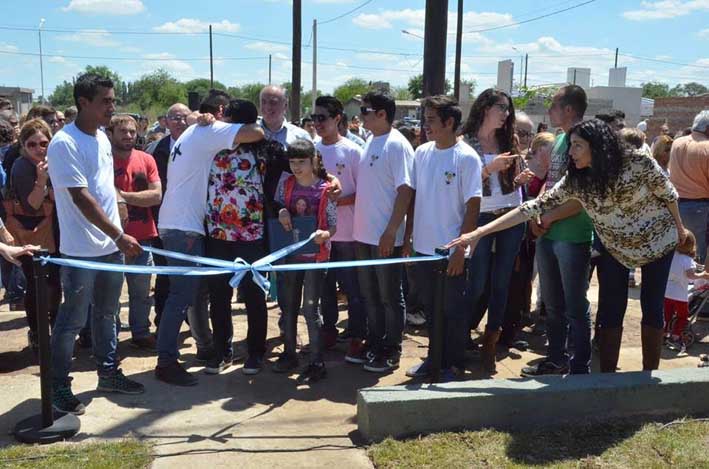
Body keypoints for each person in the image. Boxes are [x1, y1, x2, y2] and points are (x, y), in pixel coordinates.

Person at [447, 118, 684, 373]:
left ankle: (650, 374)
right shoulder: (577, 180)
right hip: (616, 249)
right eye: (570, 145)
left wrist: (680, 229)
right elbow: (532, 207)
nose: (570, 152)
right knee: (611, 310)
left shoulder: (638, 162)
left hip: (658, 242)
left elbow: (669, 195)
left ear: (597, 146)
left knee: (652, 306)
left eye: (577, 146)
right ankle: (608, 380)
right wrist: (480, 232)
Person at [48, 73, 145, 414]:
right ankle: (57, 386)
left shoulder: (102, 138)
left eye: (112, 100)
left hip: (110, 248)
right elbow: (81, 198)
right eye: (105, 101)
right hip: (81, 253)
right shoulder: (64, 143)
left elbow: (105, 189)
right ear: (83, 103)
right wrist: (118, 234)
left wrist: (119, 219)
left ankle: (108, 373)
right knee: (71, 322)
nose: (112, 106)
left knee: (108, 314)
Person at [155, 91, 264, 386]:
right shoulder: (209, 131)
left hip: (180, 223)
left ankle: (170, 357)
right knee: (182, 296)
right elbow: (256, 131)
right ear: (219, 112)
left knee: (183, 295)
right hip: (186, 227)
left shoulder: (195, 130)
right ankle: (166, 361)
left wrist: (197, 118)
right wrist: (212, 120)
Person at [404, 95, 482, 380]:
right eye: (425, 120)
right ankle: (433, 359)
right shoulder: (421, 153)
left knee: (452, 311)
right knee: (431, 309)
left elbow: (473, 206)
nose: (426, 126)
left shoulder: (467, 158)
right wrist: (409, 237)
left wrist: (461, 249)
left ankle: (452, 364)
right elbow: (413, 197)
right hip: (424, 248)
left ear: (450, 123)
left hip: (450, 251)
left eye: (432, 120)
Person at [459, 89, 534, 372]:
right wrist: (489, 168)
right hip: (481, 216)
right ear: (485, 107)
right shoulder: (466, 141)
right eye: (501, 107)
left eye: (507, 109)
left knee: (502, 282)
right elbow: (465, 185)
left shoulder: (509, 138)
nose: (506, 113)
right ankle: (462, 335)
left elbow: (510, 184)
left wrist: (518, 179)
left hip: (512, 214)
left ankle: (490, 345)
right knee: (477, 282)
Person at [525, 85, 595, 376]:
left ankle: (579, 368)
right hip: (549, 232)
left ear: (568, 109)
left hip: (572, 236)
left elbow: (583, 197)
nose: (549, 110)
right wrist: (536, 213)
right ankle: (556, 359)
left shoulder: (585, 141)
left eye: (553, 105)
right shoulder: (560, 140)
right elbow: (550, 183)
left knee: (575, 306)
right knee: (552, 305)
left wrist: (548, 218)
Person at [205, 99, 275, 376]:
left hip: (252, 236)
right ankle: (222, 352)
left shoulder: (264, 149)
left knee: (255, 297)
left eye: (228, 117)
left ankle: (256, 353)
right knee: (219, 297)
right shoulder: (213, 146)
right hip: (218, 233)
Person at [352, 90, 414, 372]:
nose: (360, 115)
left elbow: (406, 189)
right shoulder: (370, 140)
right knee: (371, 296)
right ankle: (375, 342)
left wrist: (392, 231)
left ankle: (393, 348)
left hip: (385, 237)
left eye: (365, 110)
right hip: (363, 235)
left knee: (390, 297)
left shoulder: (397, 145)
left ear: (381, 114)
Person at [272, 139, 337, 384]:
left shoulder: (326, 189)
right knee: (288, 306)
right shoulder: (285, 184)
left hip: (315, 258)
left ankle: (316, 360)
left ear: (314, 161)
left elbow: (333, 224)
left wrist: (326, 235)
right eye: (293, 162)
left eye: (302, 162)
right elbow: (278, 206)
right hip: (290, 256)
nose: (297, 167)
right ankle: (289, 354)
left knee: (310, 308)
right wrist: (281, 212)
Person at [311, 96, 366, 360]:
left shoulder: (354, 151)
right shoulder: (311, 151)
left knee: (353, 289)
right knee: (324, 288)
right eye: (314, 118)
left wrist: (338, 201)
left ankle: (357, 335)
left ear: (337, 119)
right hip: (321, 236)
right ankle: (328, 331)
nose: (317, 123)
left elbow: (365, 193)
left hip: (348, 234)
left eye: (322, 118)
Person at [107, 114, 161, 350]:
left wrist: (121, 196)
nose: (129, 136)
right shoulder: (102, 160)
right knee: (110, 295)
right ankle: (110, 336)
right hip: (111, 240)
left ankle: (140, 332)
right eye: (123, 131)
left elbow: (156, 195)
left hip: (143, 236)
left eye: (132, 131)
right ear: (111, 134)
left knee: (141, 293)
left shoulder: (146, 159)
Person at [7, 119, 61, 353]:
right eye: (32, 144)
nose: (40, 148)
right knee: (37, 284)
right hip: (31, 232)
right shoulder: (22, 167)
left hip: (55, 231)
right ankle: (38, 334)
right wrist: (41, 180)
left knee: (55, 284)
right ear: (23, 145)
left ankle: (56, 331)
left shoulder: (54, 162)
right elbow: (32, 205)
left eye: (44, 143)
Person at [146, 103, 190, 327]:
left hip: (193, 222)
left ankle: (194, 323)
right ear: (165, 121)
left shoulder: (199, 145)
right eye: (175, 117)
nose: (180, 122)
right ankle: (163, 321)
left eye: (184, 117)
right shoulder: (154, 150)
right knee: (165, 275)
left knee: (194, 276)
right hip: (163, 222)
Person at [669, 111, 709, 263]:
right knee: (697, 246)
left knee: (678, 245)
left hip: (675, 203)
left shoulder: (677, 142)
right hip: (699, 205)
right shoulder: (706, 147)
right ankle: (695, 281)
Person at [663, 231, 709, 350]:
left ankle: (664, 334)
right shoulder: (688, 261)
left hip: (667, 292)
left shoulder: (672, 256)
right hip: (679, 295)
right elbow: (690, 276)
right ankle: (676, 337)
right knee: (683, 316)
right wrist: (703, 275)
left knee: (667, 315)